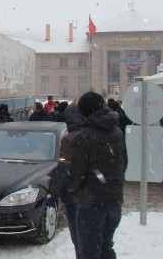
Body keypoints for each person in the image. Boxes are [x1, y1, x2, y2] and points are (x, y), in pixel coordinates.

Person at [67, 91, 126, 259]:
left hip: (91, 203)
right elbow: (124, 163)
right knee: (106, 248)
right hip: (114, 200)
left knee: (89, 252)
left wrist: (69, 188)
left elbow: (76, 174)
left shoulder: (84, 136)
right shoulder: (117, 131)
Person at [47, 103, 85, 258]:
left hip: (73, 197)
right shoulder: (91, 135)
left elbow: (63, 169)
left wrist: (53, 194)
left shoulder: (69, 139)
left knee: (79, 239)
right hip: (94, 196)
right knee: (95, 241)